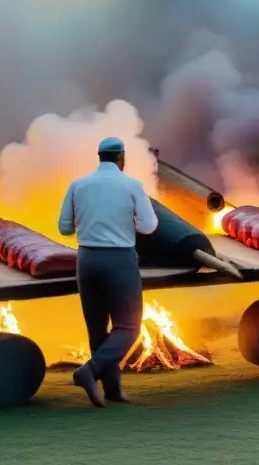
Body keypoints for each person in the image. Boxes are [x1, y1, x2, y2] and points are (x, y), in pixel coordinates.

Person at [58, 137, 158, 408]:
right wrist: (130, 220)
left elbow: (64, 228)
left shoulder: (78, 185)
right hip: (119, 259)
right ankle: (88, 371)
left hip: (87, 260)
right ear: (122, 157)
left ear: (99, 156)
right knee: (128, 326)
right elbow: (149, 226)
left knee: (97, 329)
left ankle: (113, 390)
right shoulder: (131, 185)